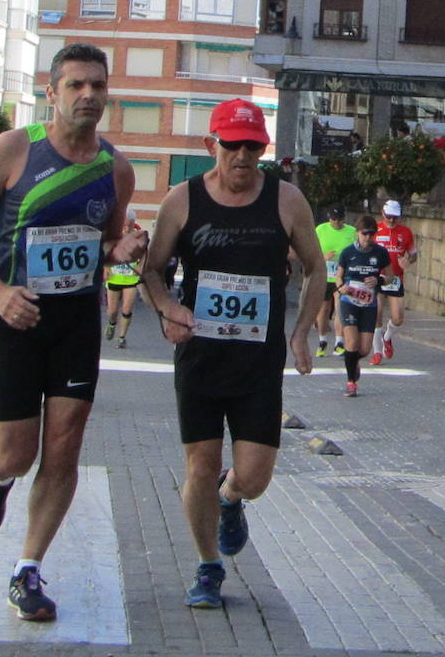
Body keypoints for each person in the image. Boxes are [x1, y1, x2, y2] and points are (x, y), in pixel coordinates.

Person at [0, 42, 145, 622]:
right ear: (51, 92)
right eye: (76, 85)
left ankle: (27, 568)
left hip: (75, 323)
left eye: (98, 86)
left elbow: (104, 247)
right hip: (14, 317)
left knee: (64, 446)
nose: (88, 95)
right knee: (17, 451)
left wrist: (120, 251)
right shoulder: (14, 149)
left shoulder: (116, 170)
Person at [140, 99, 325, 610]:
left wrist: (302, 332)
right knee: (200, 464)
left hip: (258, 361)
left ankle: (231, 496)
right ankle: (208, 566)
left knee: (255, 477)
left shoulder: (286, 199)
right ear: (211, 145)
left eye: (253, 146)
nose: (242, 156)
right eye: (232, 145)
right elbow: (152, 269)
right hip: (200, 355)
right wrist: (167, 309)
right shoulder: (183, 200)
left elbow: (316, 268)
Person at [334, 214, 389, 397]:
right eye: (364, 234)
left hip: (368, 304)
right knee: (352, 342)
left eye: (371, 234)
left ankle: (352, 361)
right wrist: (341, 287)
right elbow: (338, 276)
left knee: (364, 349)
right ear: (357, 233)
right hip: (349, 302)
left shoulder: (380, 253)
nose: (368, 237)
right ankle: (351, 382)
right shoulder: (348, 252)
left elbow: (391, 276)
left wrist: (378, 280)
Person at [372, 199, 418, 364]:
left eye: (395, 217)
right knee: (376, 313)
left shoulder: (405, 232)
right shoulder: (375, 229)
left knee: (398, 318)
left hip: (396, 278)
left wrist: (408, 260)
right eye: (389, 216)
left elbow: (413, 253)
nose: (391, 220)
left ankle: (387, 337)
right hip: (378, 276)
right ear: (382, 213)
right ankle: (377, 352)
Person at [314, 204, 356, 358]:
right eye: (333, 219)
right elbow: (311, 250)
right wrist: (323, 257)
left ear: (344, 218)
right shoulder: (320, 230)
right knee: (323, 309)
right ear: (328, 217)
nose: (336, 222)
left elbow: (356, 252)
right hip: (324, 275)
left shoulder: (352, 232)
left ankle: (339, 343)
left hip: (342, 276)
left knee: (340, 308)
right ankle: (322, 340)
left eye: (339, 220)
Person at [104, 215, 143, 349]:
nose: (126, 228)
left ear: (133, 224)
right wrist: (106, 268)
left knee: (127, 309)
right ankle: (112, 323)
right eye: (124, 225)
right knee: (112, 311)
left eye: (129, 225)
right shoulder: (115, 236)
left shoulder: (138, 237)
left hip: (131, 278)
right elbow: (106, 252)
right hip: (115, 277)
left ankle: (122, 337)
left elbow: (145, 255)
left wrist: (140, 266)